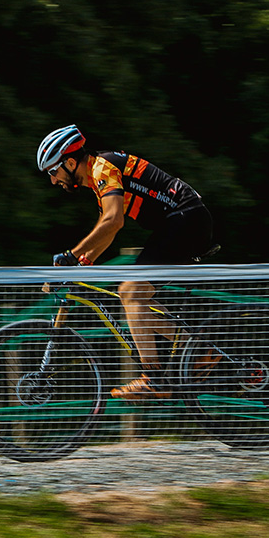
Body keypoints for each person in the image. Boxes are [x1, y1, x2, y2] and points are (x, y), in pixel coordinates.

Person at [36, 124, 213, 400]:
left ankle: (153, 377)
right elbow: (106, 233)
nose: (53, 180)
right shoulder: (99, 180)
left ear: (70, 162)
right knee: (136, 298)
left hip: (185, 218)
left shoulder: (102, 168)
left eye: (52, 172)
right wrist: (79, 265)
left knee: (129, 291)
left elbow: (113, 220)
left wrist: (71, 256)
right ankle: (198, 349)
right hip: (181, 222)